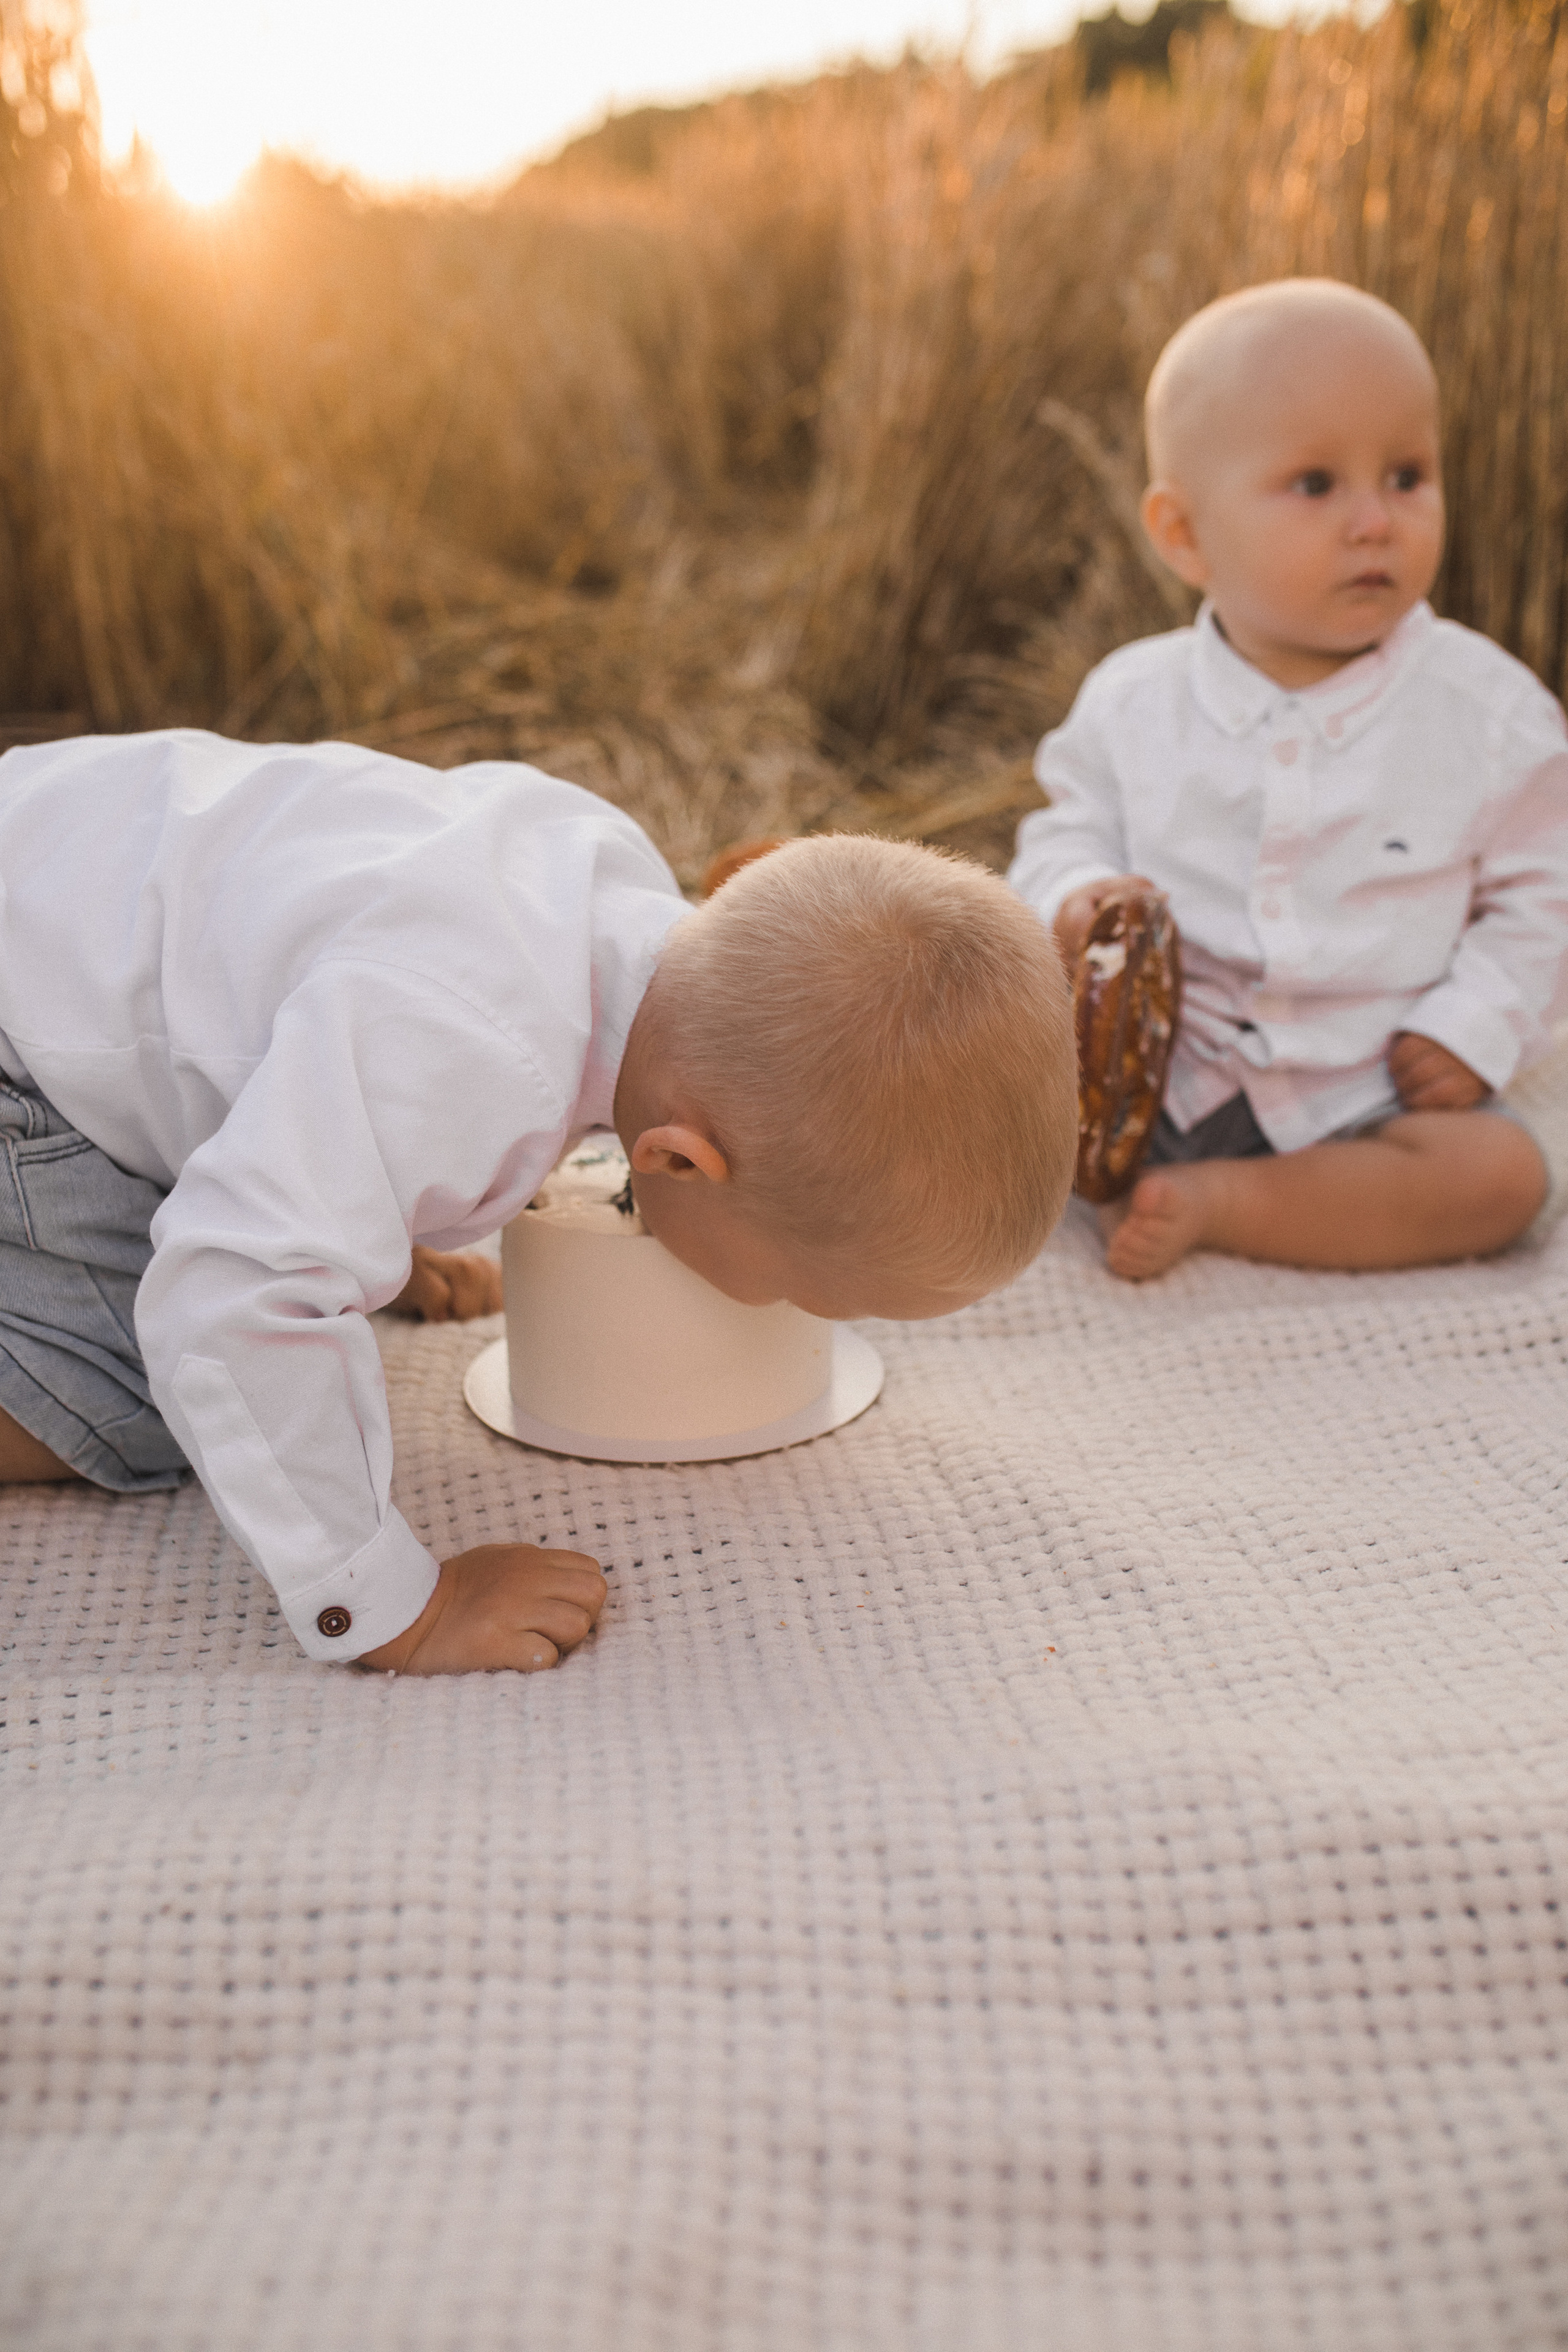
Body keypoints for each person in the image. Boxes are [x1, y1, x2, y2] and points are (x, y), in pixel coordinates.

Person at [0, 733, 1077, 1670]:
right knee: (167, 1396)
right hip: (26, 1047)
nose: (800, 1316)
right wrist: (388, 1605)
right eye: (809, 1292)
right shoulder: (469, 1058)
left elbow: (324, 1003)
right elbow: (224, 1298)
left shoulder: (603, 870)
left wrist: (373, 1208)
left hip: (59, 861)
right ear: (680, 1163)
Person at [1011, 277, 1568, 1282]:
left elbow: (1546, 892)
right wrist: (1073, 895)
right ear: (1183, 535)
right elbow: (1064, 830)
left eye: (1407, 476)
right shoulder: (1135, 701)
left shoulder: (1488, 714)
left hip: (1367, 1096)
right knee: (958, 1077)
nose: (1374, 521)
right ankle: (1116, 1174)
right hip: (1152, 1082)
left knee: (1505, 1177)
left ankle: (1233, 1206)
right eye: (1317, 485)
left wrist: (1473, 1024)